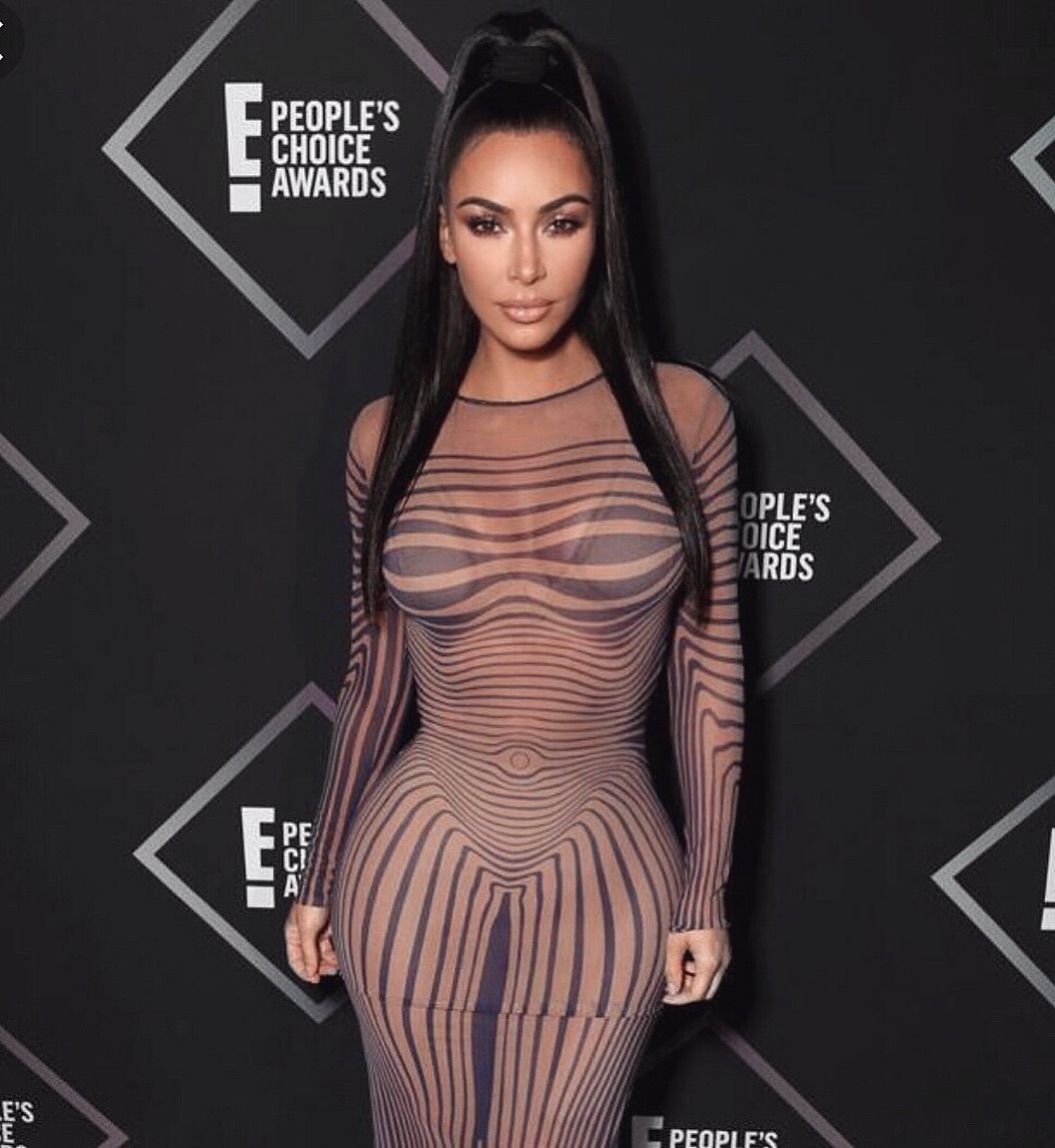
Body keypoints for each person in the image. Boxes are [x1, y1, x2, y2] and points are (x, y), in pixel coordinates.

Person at [284, 8, 745, 1146]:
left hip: (608, 873)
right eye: (488, 223)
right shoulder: (387, 434)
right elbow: (374, 675)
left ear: (600, 230)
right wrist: (321, 870)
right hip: (412, 867)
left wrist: (705, 887)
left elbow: (707, 674)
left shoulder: (685, 415)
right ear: (445, 235)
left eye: (561, 221)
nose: (525, 266)